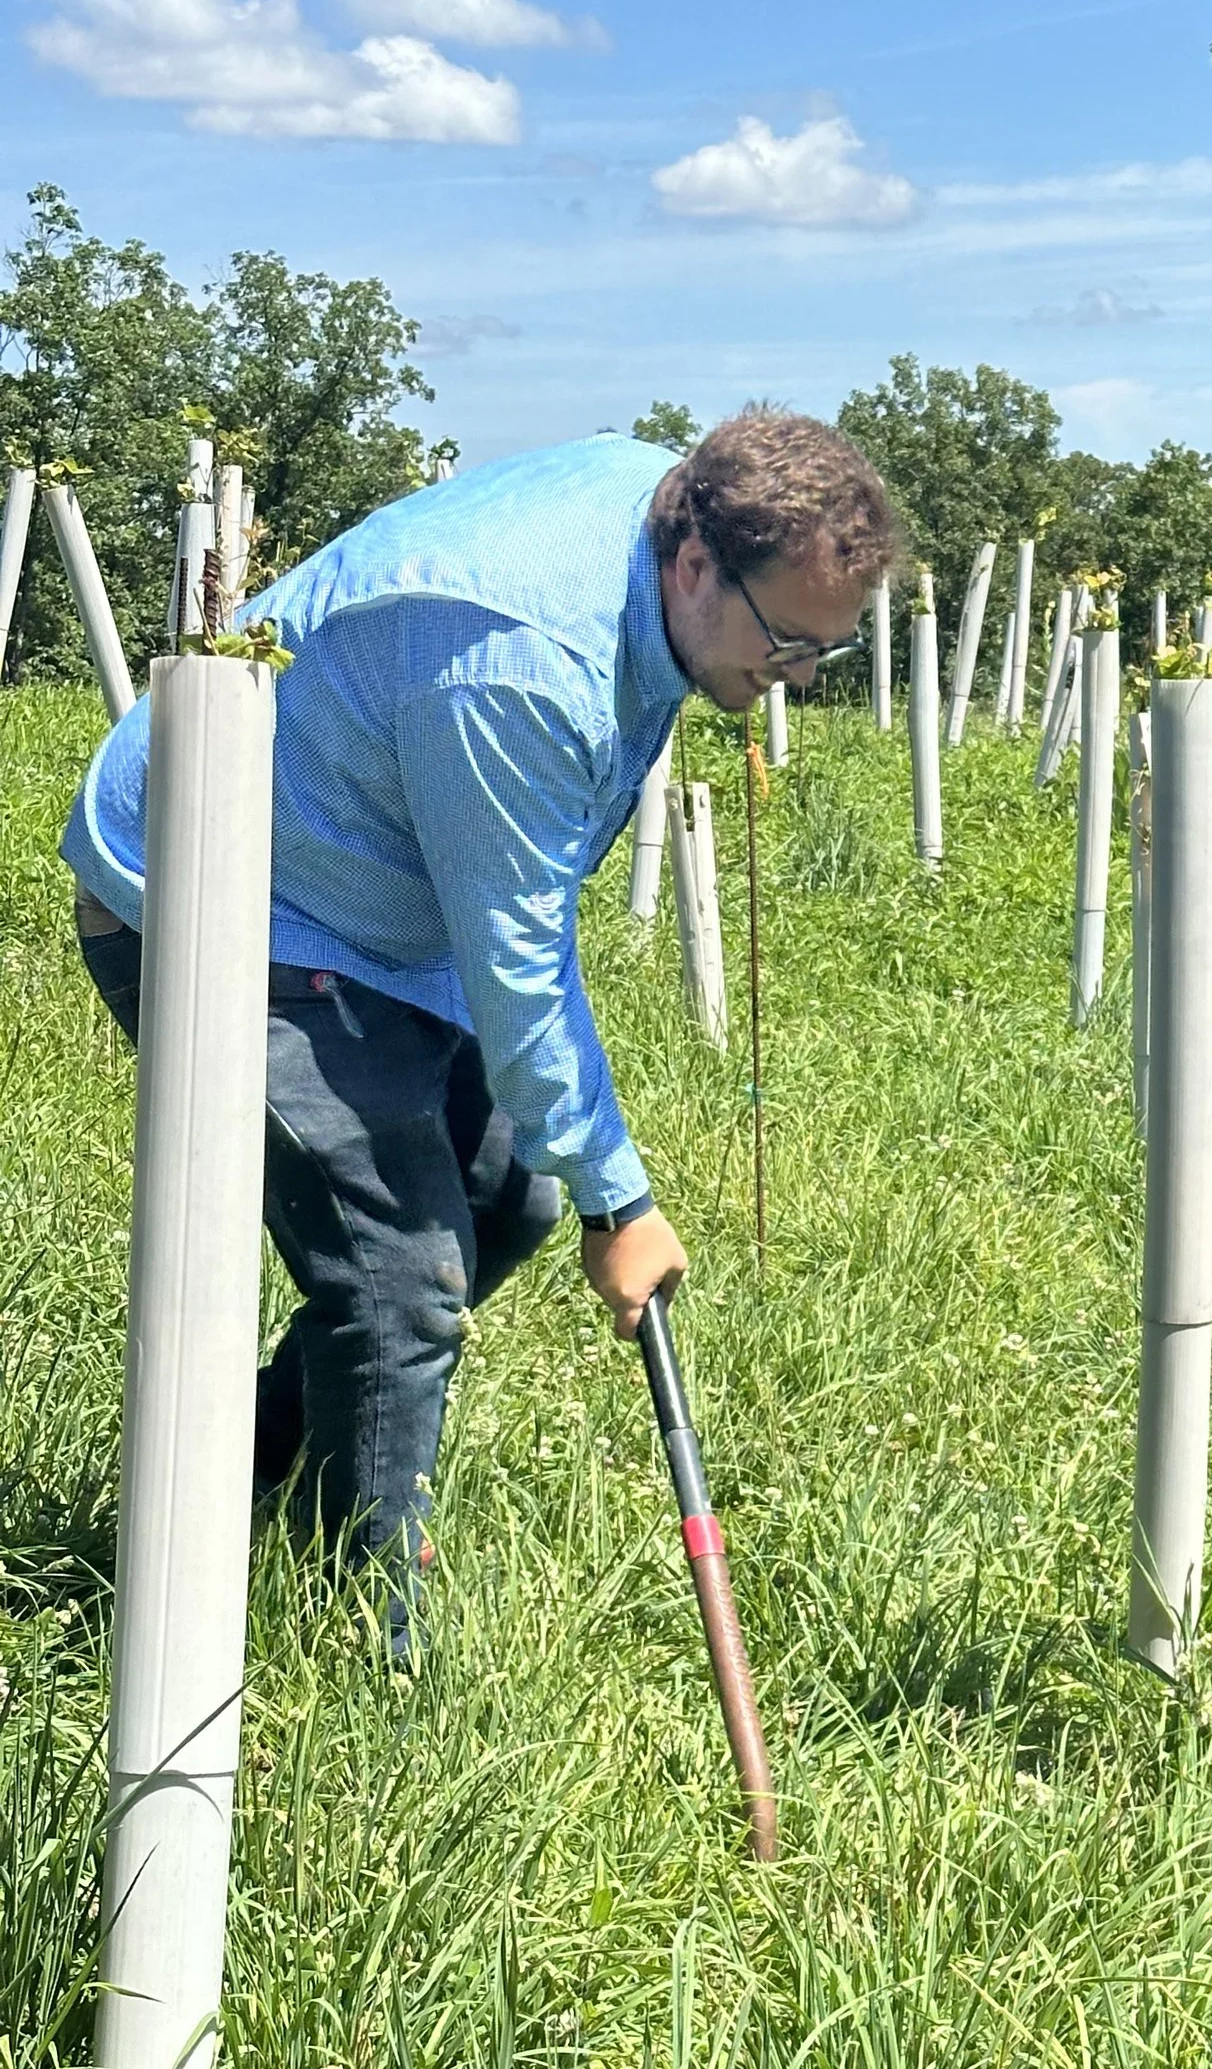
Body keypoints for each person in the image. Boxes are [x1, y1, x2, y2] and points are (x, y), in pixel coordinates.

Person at [63, 410, 894, 1654]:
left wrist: (581, 1187)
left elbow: (508, 930)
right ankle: (364, 1639)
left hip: (377, 890)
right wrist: (625, 1198)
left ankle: (228, 1488)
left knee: (504, 1201)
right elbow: (518, 959)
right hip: (217, 893)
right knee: (401, 1280)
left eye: (825, 651)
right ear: (694, 564)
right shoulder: (520, 666)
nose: (801, 679)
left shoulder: (663, 509)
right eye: (787, 645)